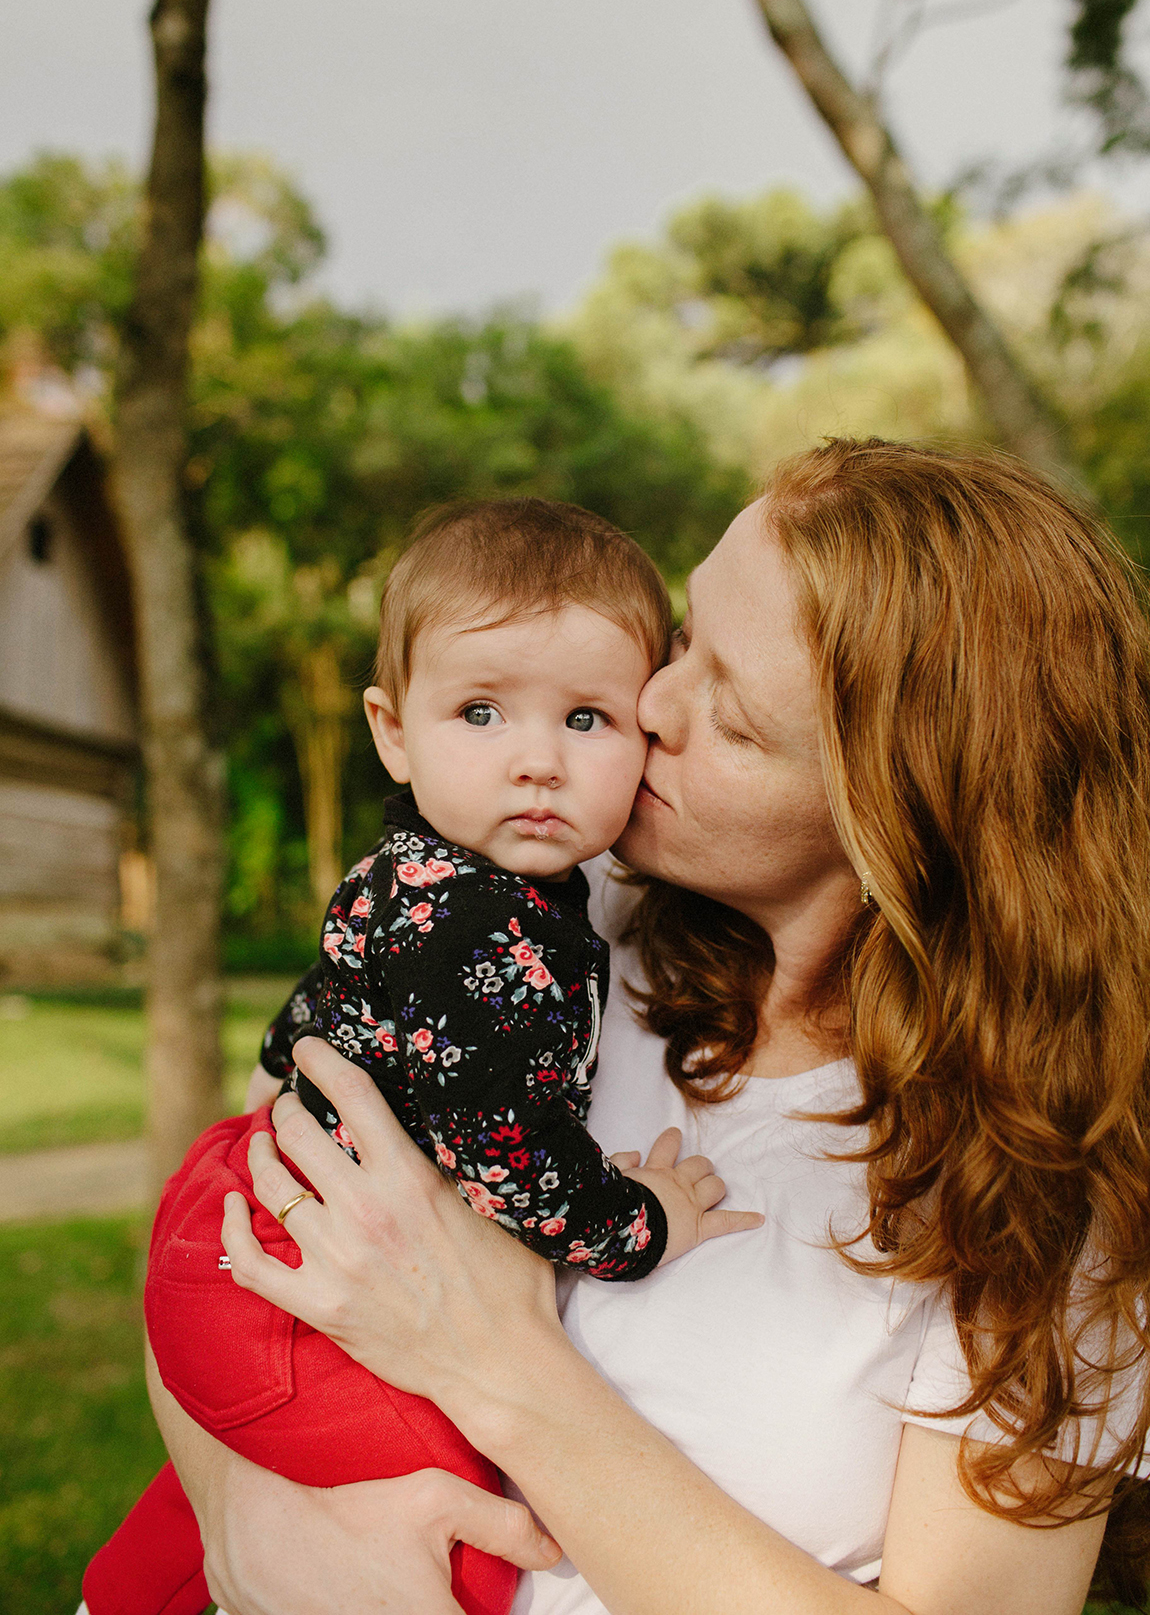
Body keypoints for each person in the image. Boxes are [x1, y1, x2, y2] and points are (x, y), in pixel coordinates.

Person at [147, 440, 1150, 1615]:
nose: (645, 706)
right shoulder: (546, 913)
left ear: (896, 820)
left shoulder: (1054, 1200)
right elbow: (227, 1216)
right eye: (680, 640)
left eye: (726, 715)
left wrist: (497, 1364)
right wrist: (238, 1518)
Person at [84, 498, 759, 1615]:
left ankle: (118, 1591)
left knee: (281, 1468)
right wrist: (643, 1223)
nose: (538, 762)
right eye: (482, 712)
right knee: (470, 1521)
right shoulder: (491, 925)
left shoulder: (420, 870)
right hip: (275, 1274)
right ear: (393, 731)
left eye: (587, 719)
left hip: (238, 1219)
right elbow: (502, 1150)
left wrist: (270, 1088)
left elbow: (318, 999)